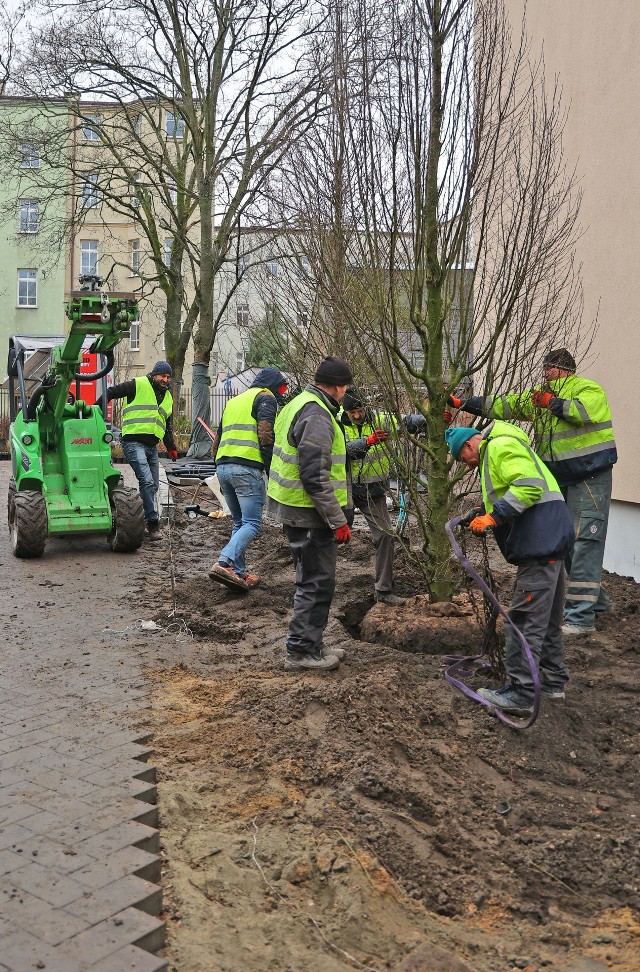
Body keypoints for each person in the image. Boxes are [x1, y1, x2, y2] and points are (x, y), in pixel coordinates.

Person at [449, 348, 617, 637]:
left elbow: (583, 412)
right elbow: (505, 405)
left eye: (549, 369)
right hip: (560, 478)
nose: (545, 375)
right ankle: (595, 602)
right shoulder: (541, 397)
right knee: (563, 540)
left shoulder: (587, 389)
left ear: (563, 369)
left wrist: (553, 402)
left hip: (590, 475)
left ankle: (580, 618)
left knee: (585, 540)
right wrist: (464, 403)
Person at [445, 421, 575, 717]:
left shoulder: (499, 447)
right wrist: (482, 513)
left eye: (464, 460)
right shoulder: (506, 445)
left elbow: (528, 486)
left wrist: (495, 517)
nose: (467, 466)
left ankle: (521, 693)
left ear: (469, 445)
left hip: (539, 543)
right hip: (550, 538)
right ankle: (553, 681)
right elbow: (514, 491)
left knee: (523, 621)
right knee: (549, 620)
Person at [267, 355, 353, 672]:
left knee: (318, 580)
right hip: (309, 513)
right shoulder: (317, 414)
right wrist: (338, 520)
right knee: (315, 582)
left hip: (300, 508)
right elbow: (314, 476)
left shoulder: (299, 403)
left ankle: (312, 642)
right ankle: (300, 650)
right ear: (339, 387)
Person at [340, 386, 427, 605]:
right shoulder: (337, 424)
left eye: (359, 410)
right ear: (346, 411)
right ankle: (319, 586)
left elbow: (407, 422)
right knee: (333, 537)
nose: (357, 416)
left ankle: (383, 591)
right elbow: (342, 451)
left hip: (373, 490)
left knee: (386, 536)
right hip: (344, 490)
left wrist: (429, 417)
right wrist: (367, 442)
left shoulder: (382, 420)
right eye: (352, 413)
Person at [208, 367, 288, 592]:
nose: (281, 392)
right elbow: (265, 434)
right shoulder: (265, 398)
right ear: (273, 385)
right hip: (246, 468)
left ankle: (238, 573)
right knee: (252, 524)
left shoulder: (234, 401)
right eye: (281, 387)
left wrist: (219, 467)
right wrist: (271, 470)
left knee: (239, 522)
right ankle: (223, 562)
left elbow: (218, 437)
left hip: (224, 466)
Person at [107, 360, 177, 540]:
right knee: (146, 482)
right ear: (154, 375)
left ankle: (139, 517)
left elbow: (166, 425)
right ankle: (153, 525)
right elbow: (110, 392)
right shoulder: (137, 385)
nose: (165, 379)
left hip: (151, 446)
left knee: (153, 485)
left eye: (168, 377)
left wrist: (171, 447)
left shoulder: (167, 397)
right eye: (162, 375)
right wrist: (95, 411)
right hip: (133, 442)